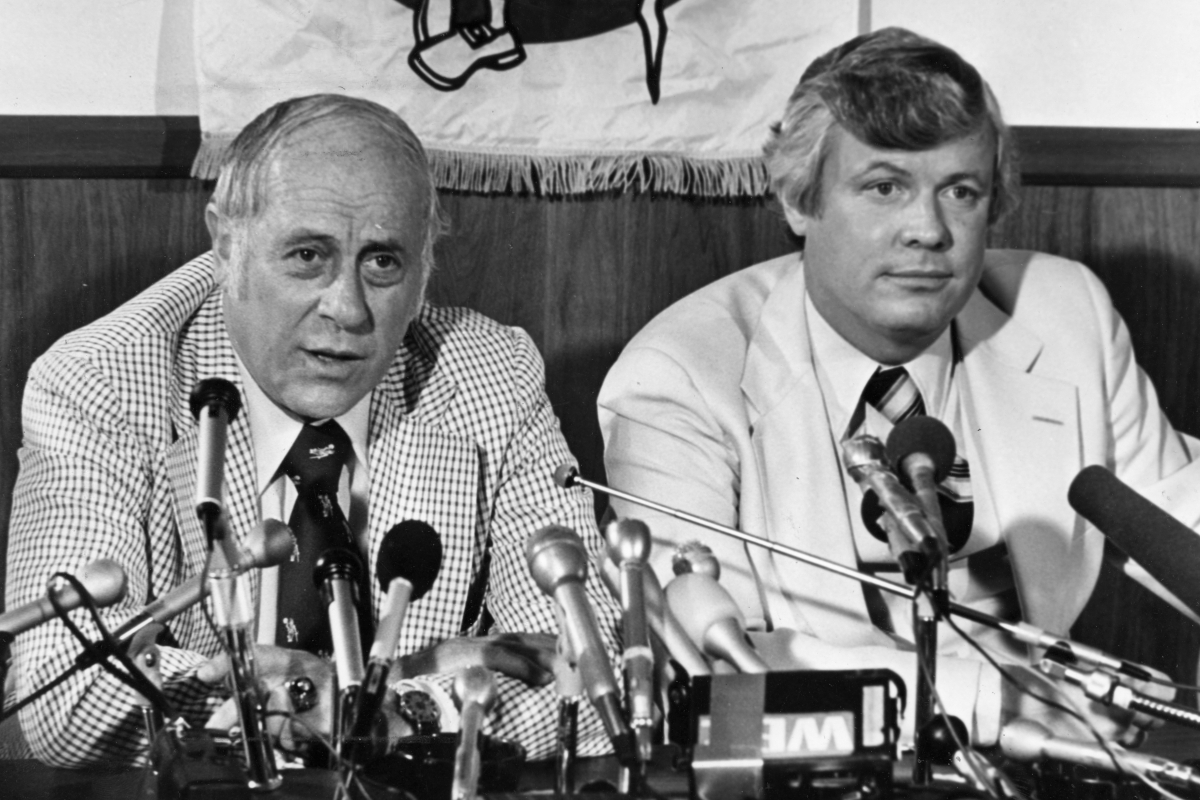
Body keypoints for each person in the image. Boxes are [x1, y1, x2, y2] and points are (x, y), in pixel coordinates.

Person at [599, 27, 1198, 747]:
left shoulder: (1065, 314)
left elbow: (1176, 523)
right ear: (799, 200)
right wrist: (1003, 700)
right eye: (885, 187)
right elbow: (713, 661)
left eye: (961, 191)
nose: (929, 229)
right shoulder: (680, 371)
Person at [5, 93, 619, 768]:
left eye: (383, 262)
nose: (348, 308)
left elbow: (602, 677)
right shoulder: (103, 380)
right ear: (225, 245)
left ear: (422, 275)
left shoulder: (487, 375)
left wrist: (398, 711)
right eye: (307, 256)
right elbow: (64, 701)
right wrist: (382, 683)